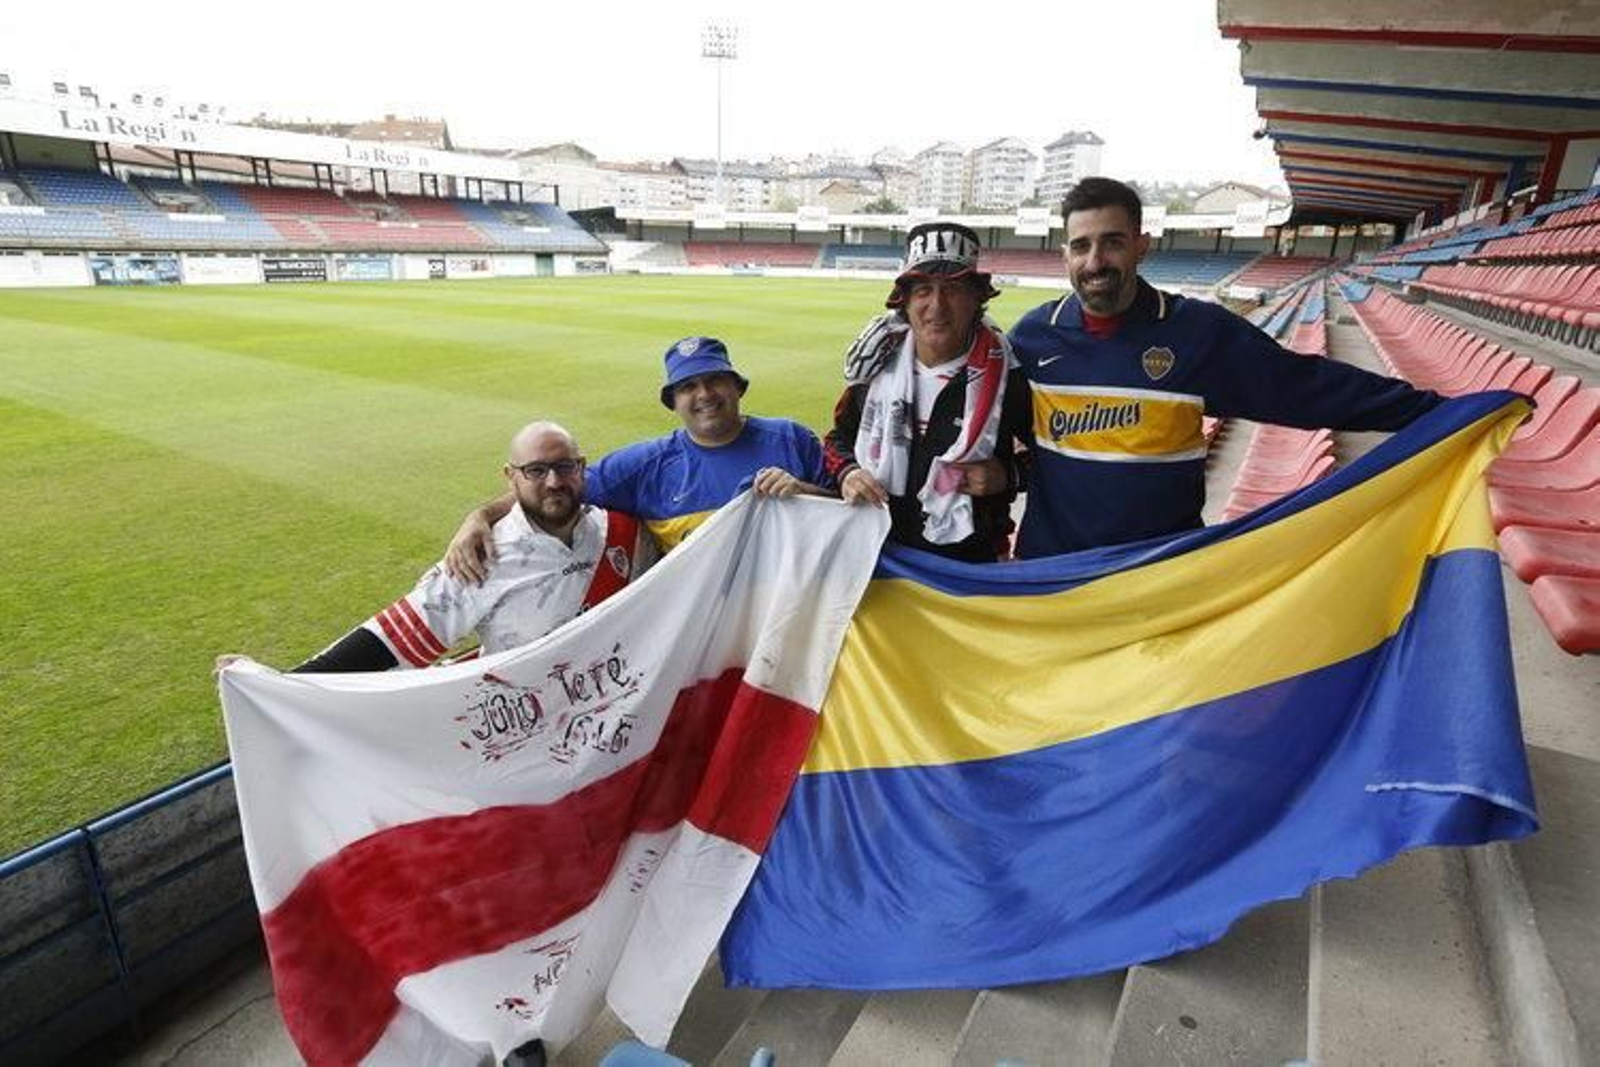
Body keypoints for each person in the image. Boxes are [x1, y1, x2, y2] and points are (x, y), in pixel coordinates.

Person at [1008, 176, 1443, 558]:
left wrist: (1435, 413)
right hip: (1052, 576)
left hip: (1157, 575)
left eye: (1112, 242)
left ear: (1142, 245)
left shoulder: (1198, 332)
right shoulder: (1031, 338)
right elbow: (982, 423)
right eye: (1081, 246)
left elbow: (1310, 387)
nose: (1095, 261)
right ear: (1065, 255)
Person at [446, 337, 832, 583]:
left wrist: (804, 492)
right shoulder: (647, 464)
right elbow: (558, 487)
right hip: (709, 629)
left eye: (715, 380)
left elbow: (852, 514)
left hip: (795, 608)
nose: (704, 394)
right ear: (674, 402)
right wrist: (479, 517)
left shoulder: (791, 438)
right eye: (688, 387)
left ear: (737, 387)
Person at [287, 421, 651, 672]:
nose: (554, 481)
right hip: (531, 735)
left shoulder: (622, 531)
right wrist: (275, 686)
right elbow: (391, 640)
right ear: (510, 477)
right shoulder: (483, 557)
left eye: (564, 466)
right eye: (536, 471)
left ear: (581, 467)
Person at [825, 221, 1033, 562]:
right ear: (904, 302)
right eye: (923, 291)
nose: (936, 307)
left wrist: (1006, 475)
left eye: (951, 290)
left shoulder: (1010, 378)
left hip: (969, 569)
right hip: (877, 558)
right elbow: (836, 441)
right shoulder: (875, 369)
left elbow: (1047, 460)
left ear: (975, 300)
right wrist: (848, 473)